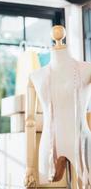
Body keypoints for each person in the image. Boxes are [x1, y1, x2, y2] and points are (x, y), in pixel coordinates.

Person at [24, 26, 91, 188]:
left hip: (82, 144)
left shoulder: (87, 69)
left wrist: (30, 167)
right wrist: (29, 167)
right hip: (50, 146)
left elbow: (30, 122)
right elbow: (29, 122)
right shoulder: (35, 76)